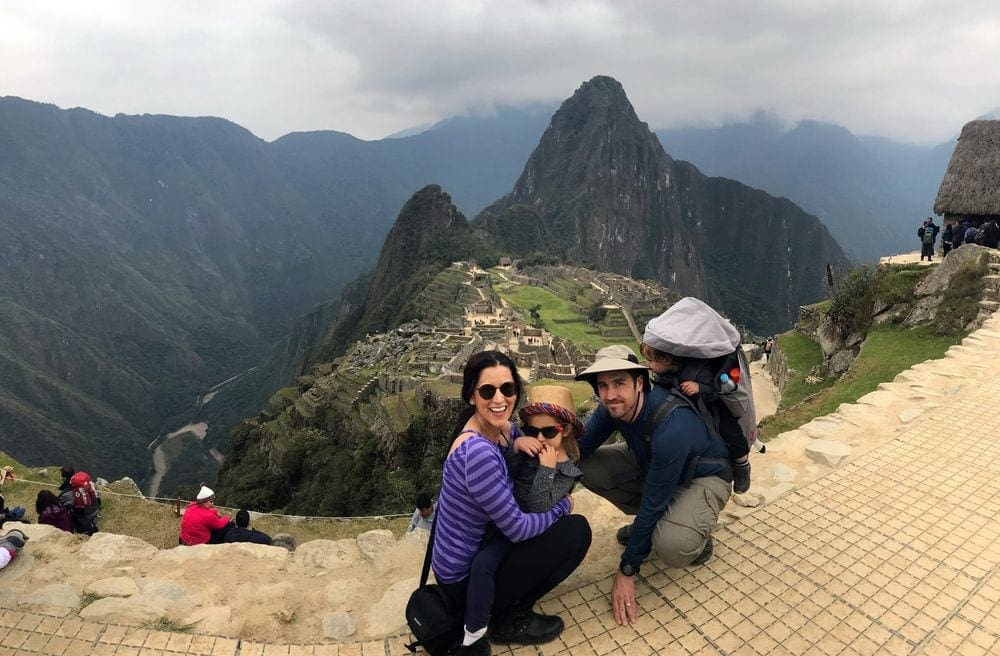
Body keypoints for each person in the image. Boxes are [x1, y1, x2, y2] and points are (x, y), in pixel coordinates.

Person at [431, 351, 591, 656]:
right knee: (576, 532)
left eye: (508, 389)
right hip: (465, 578)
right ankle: (502, 619)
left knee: (551, 531)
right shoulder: (478, 451)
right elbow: (519, 527)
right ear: (470, 396)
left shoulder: (502, 429)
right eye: (487, 391)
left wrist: (520, 440)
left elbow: (519, 454)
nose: (499, 399)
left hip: (477, 547)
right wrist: (562, 507)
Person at [575, 345, 731, 626]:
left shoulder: (671, 425)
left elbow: (653, 501)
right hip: (656, 467)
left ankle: (697, 539)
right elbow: (578, 450)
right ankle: (654, 527)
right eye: (603, 385)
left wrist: (627, 570)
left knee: (673, 546)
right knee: (584, 468)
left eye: (619, 383)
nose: (610, 395)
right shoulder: (610, 408)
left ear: (640, 382)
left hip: (704, 477)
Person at [57, 466, 100, 535]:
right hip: (95, 508)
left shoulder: (66, 494)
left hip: (86, 515)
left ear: (64, 478)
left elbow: (58, 505)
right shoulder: (84, 482)